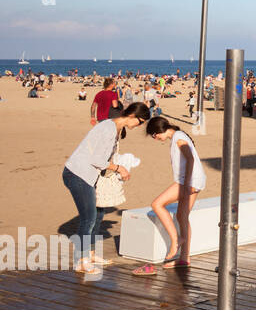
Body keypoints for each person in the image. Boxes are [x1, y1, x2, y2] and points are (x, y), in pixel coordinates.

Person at [63, 102, 151, 275]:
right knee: (88, 218)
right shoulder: (109, 128)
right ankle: (81, 261)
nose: (139, 126)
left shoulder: (115, 128)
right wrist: (119, 168)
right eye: (140, 122)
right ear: (132, 116)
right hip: (77, 174)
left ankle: (91, 254)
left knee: (99, 214)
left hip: (88, 175)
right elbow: (96, 159)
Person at [132, 117, 208, 275]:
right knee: (182, 216)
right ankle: (185, 258)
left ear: (158, 131)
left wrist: (186, 183)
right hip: (197, 179)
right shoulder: (179, 136)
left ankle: (176, 240)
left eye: (154, 135)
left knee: (157, 204)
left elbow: (190, 158)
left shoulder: (179, 138)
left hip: (189, 181)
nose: (155, 138)